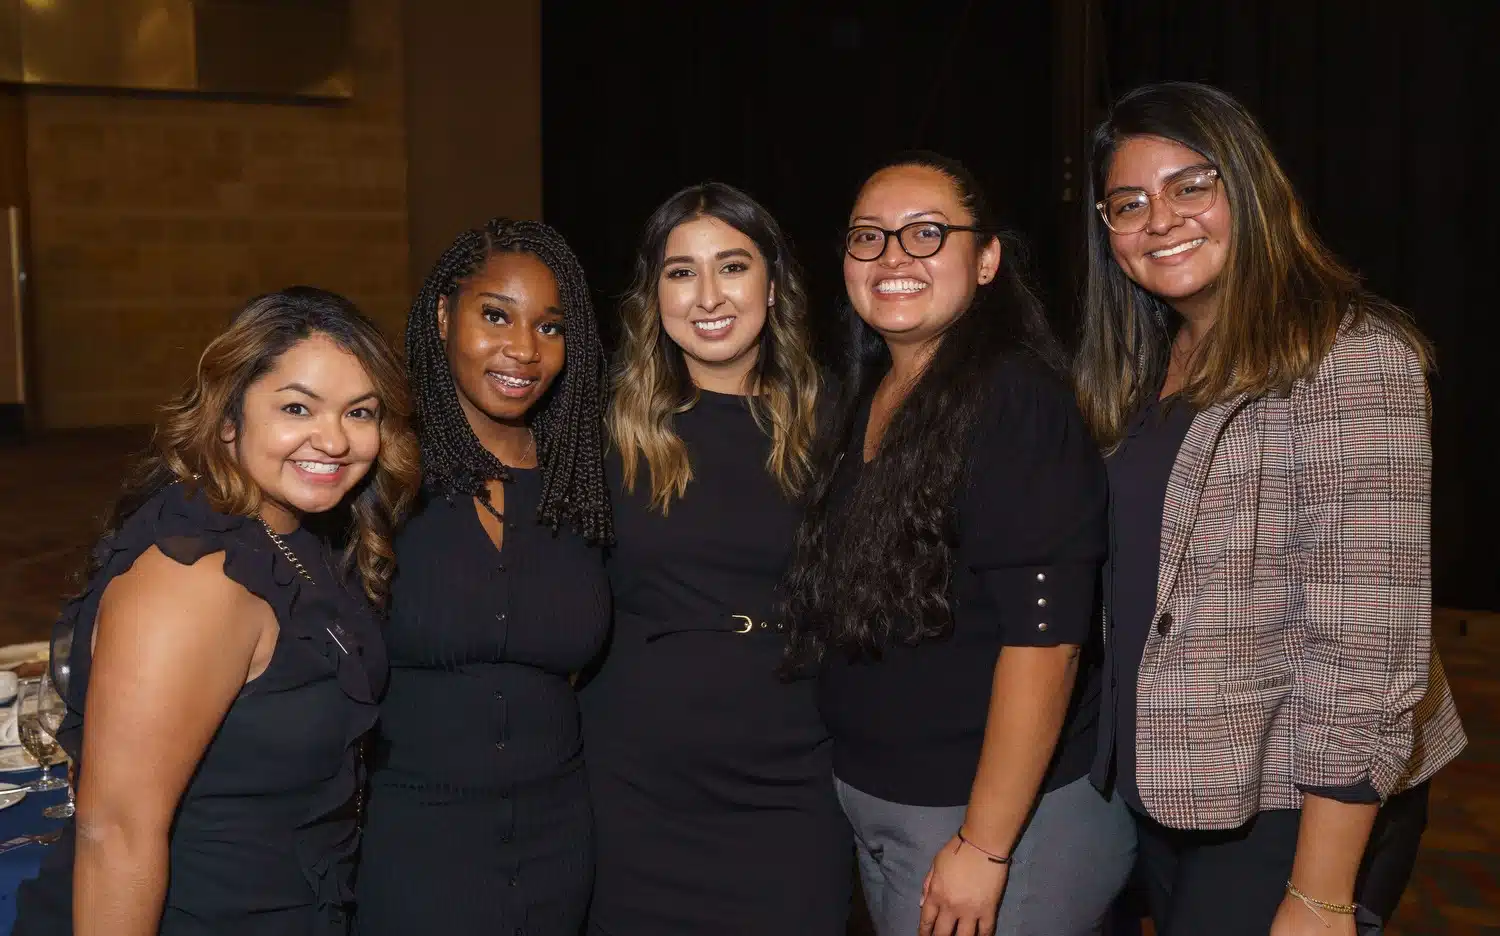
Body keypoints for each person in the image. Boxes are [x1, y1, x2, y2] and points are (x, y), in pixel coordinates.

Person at [1073, 81, 1468, 936]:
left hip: (1297, 805)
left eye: (1191, 185)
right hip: (1173, 785)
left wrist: (1321, 893)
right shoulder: (1143, 364)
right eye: (1127, 203)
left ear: (1250, 187)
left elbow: (1366, 648)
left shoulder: (1353, 357)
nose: (1160, 219)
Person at [782, 152, 1135, 936]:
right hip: (889, 811)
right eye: (868, 237)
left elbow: (1047, 645)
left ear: (986, 261)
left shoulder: (1015, 401)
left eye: (926, 233)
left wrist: (984, 845)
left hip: (996, 827)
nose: (893, 256)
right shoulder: (863, 395)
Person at [13, 287, 421, 935]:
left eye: (361, 412)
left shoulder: (298, 536)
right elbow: (116, 832)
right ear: (227, 418)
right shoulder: (194, 578)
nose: (335, 440)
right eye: (297, 408)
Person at [580, 182, 851, 935]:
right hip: (636, 784)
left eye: (731, 266)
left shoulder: (837, 419)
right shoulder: (604, 425)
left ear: (773, 282)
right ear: (653, 294)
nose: (708, 295)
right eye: (680, 271)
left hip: (793, 776)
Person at [353, 219, 612, 936]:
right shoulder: (377, 470)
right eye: (495, 315)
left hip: (561, 846)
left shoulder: (586, 482)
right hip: (408, 852)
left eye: (552, 328)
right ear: (444, 314)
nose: (524, 350)